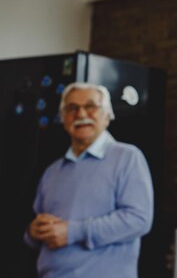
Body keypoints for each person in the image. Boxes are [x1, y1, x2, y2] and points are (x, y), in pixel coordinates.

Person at [24, 82, 153, 278]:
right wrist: (32, 232)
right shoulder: (52, 171)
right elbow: (36, 231)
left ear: (107, 116)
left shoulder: (127, 157)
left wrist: (72, 231)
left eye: (90, 106)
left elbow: (139, 220)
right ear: (63, 118)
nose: (81, 114)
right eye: (72, 108)